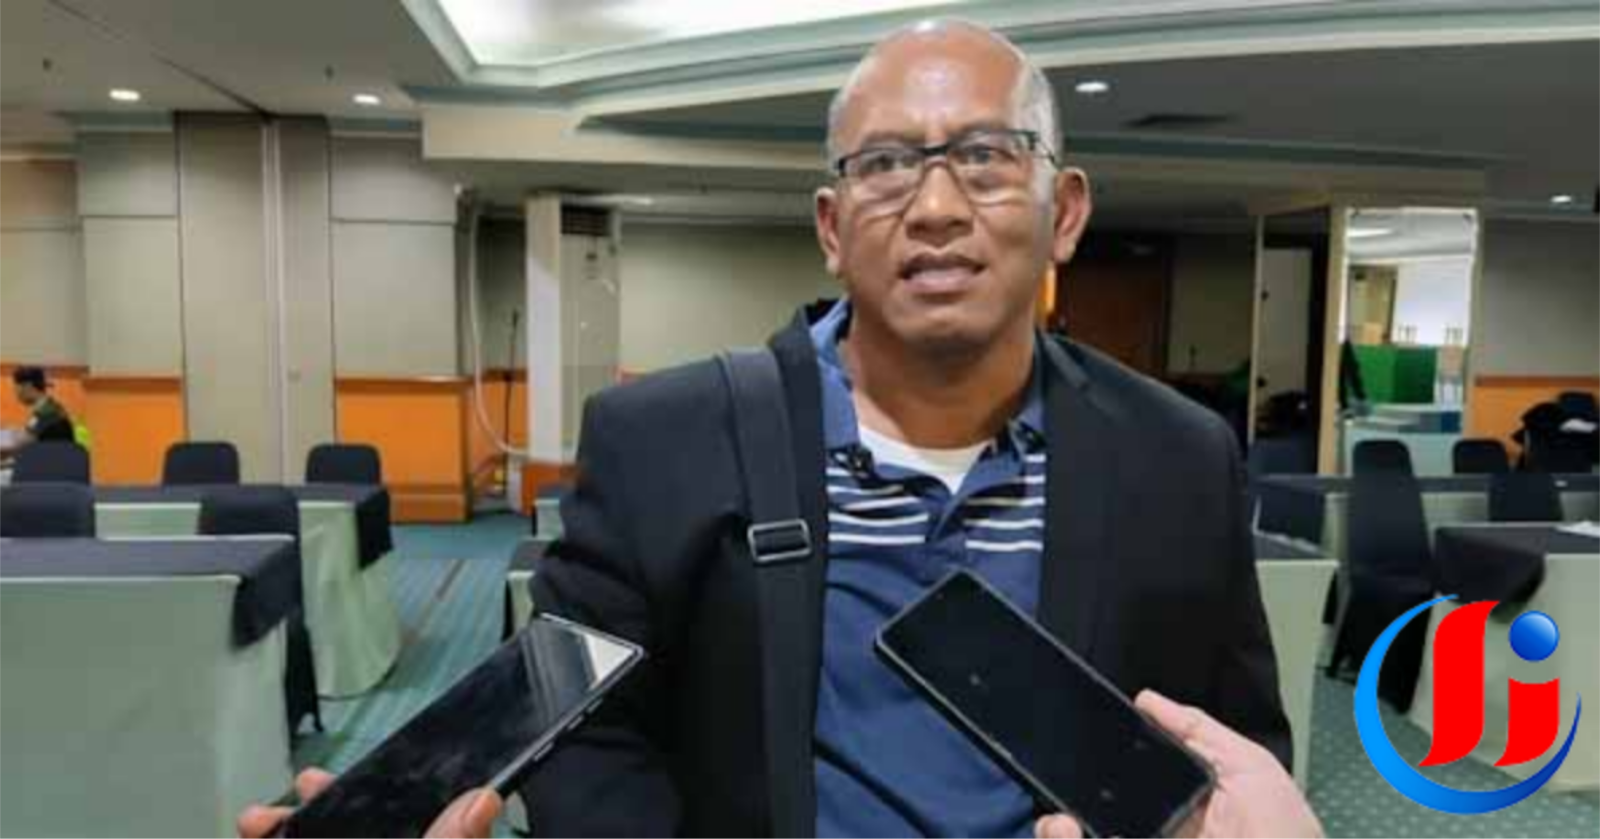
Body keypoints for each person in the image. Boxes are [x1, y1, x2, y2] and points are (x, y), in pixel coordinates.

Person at [242, 18, 1322, 839]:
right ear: (831, 227)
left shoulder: (1177, 456)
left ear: (1066, 211)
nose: (935, 206)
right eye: (885, 164)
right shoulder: (664, 439)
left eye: (987, 156)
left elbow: (1233, 741)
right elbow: (587, 729)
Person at [1, 366, 75, 464]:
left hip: (51, 468)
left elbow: (20, 446)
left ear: (27, 386)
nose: (16, 394)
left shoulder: (46, 412)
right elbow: (28, 433)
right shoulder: (51, 406)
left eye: (16, 388)